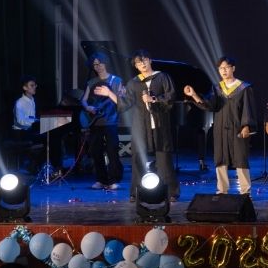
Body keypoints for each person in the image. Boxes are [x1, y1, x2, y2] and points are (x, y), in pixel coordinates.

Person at [95, 50, 179, 202]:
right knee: (137, 159)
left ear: (150, 60)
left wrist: (154, 99)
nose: (142, 64)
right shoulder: (133, 83)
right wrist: (109, 94)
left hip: (160, 124)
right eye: (138, 63)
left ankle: (171, 192)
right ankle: (136, 192)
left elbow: (171, 97)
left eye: (144, 60)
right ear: (136, 66)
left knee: (164, 159)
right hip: (141, 124)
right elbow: (124, 104)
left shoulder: (162, 77)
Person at [184, 56, 257, 196]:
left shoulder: (244, 88)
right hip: (221, 128)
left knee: (240, 158)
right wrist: (194, 95)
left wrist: (246, 126)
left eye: (226, 67)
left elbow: (248, 108)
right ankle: (222, 191)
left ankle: (245, 192)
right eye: (221, 68)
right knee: (220, 158)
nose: (224, 71)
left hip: (238, 128)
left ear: (233, 68)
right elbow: (210, 105)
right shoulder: (217, 88)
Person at [79, 53, 124, 190]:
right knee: (96, 151)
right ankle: (101, 179)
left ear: (105, 63)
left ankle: (114, 180)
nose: (97, 66)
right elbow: (83, 100)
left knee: (112, 151)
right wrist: (88, 107)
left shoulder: (116, 80)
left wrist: (111, 94)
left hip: (111, 120)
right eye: (95, 65)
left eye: (99, 63)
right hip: (95, 121)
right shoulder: (91, 82)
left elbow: (121, 101)